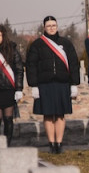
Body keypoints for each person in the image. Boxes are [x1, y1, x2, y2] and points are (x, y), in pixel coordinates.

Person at [25, 16, 80, 153]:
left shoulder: (65, 43)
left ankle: (59, 144)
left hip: (62, 83)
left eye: (53, 25)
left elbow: (74, 63)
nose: (51, 28)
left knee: (60, 115)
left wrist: (74, 83)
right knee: (48, 115)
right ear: (44, 27)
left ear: (57, 26)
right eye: (48, 26)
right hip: (45, 84)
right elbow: (31, 65)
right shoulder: (37, 44)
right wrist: (34, 85)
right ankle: (51, 144)